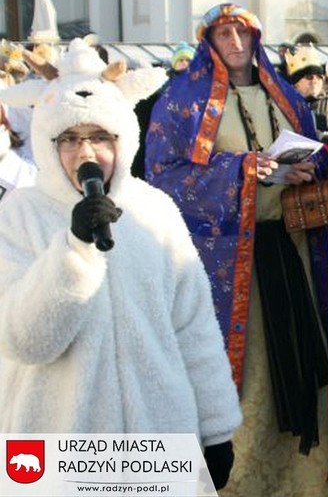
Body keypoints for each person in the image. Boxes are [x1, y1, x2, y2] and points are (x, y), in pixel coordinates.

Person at [0, 38, 241, 489]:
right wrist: (74, 250)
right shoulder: (18, 215)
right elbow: (24, 340)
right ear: (47, 142)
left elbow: (193, 328)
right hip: (59, 450)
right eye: (69, 139)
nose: (85, 153)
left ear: (123, 139)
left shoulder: (155, 209)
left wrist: (216, 428)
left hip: (158, 443)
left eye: (99, 137)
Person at [145, 3, 328, 497]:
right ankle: (240, 485)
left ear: (256, 38)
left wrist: (305, 170)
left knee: (298, 362)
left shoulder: (288, 98)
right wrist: (242, 171)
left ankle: (304, 482)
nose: (234, 42)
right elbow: (164, 178)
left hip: (290, 249)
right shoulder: (181, 103)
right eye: (223, 33)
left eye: (242, 32)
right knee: (247, 377)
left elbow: (318, 155)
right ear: (208, 40)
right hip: (231, 260)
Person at [285, 43, 328, 131]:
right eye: (309, 77)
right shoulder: (287, 106)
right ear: (296, 83)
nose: (315, 80)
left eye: (319, 76)